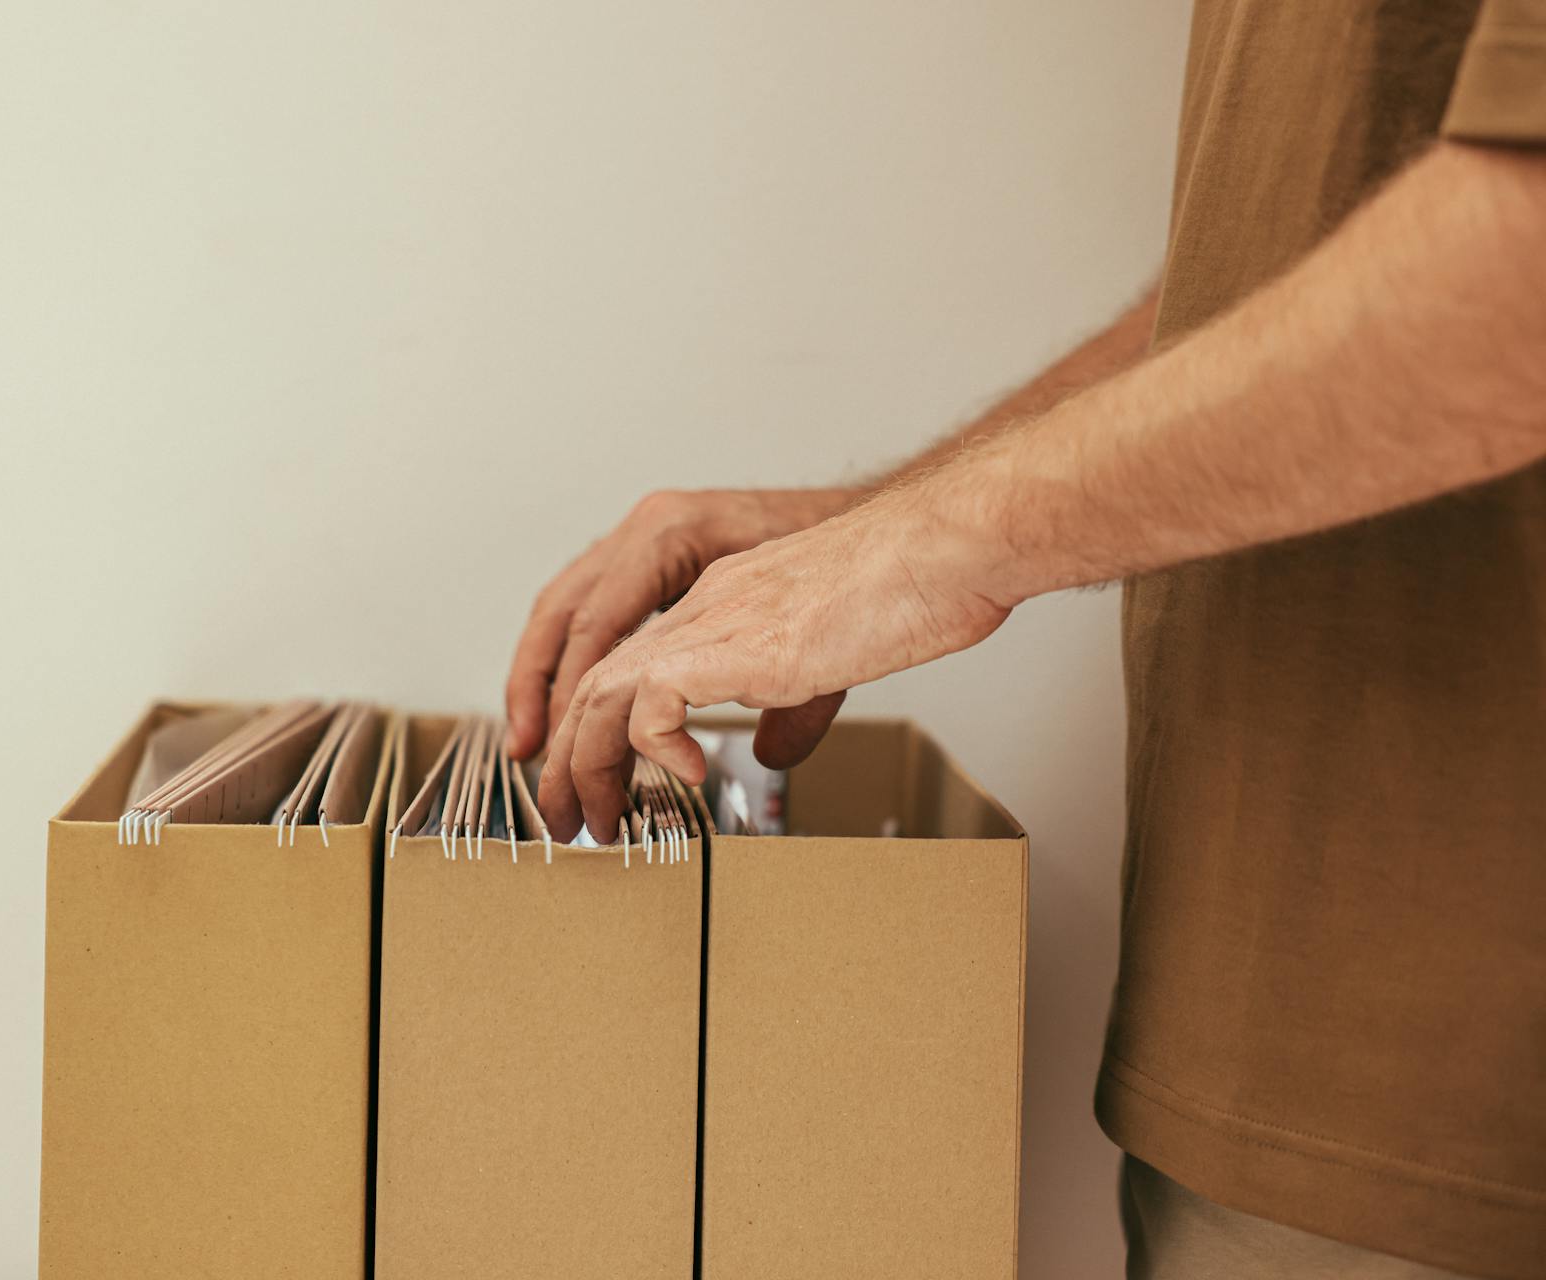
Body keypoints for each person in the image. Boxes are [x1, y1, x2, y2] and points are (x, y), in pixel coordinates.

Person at [503, 3, 1546, 1276]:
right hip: (1264, 1045)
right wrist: (863, 521)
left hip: (1463, 1092)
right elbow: (1275, 274)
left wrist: (931, 545)